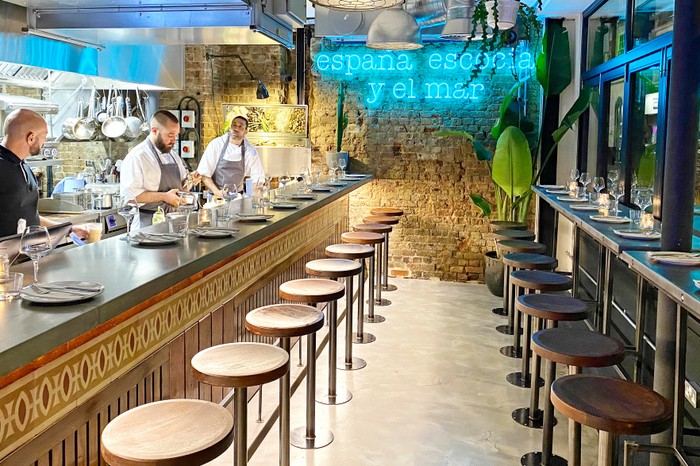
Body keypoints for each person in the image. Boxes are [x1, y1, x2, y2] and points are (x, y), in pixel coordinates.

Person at [0, 109, 87, 239]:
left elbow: (30, 217)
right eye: (44, 135)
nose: (45, 140)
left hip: (25, 255)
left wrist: (69, 229)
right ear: (31, 138)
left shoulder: (23, 165)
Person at [120, 110, 201, 229]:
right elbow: (129, 197)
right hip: (148, 226)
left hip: (175, 222)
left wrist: (190, 180)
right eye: (170, 135)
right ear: (154, 130)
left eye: (176, 135)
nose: (174, 140)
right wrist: (164, 196)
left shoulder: (173, 155)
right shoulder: (138, 157)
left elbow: (180, 189)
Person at [197, 116, 265, 198]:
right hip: (216, 197)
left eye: (240, 126)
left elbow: (258, 178)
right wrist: (217, 192)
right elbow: (204, 174)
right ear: (230, 128)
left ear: (246, 132)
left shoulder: (250, 151)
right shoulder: (216, 145)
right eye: (234, 125)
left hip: (238, 198)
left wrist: (254, 198)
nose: (236, 129)